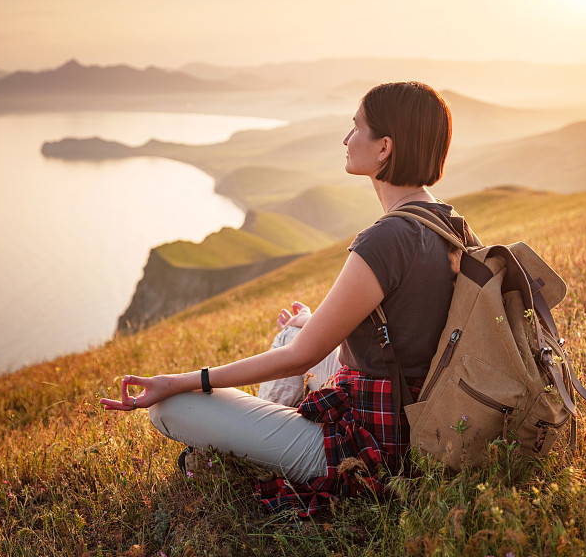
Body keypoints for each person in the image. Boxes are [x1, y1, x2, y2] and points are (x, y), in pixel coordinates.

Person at [100, 81, 480, 515]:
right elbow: (410, 327)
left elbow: (300, 360)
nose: (346, 138)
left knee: (170, 409)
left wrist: (179, 381)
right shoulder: (451, 224)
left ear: (384, 149)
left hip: (370, 447)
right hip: (413, 414)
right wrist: (313, 324)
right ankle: (256, 436)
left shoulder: (386, 238)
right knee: (289, 335)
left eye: (357, 127)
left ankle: (244, 447)